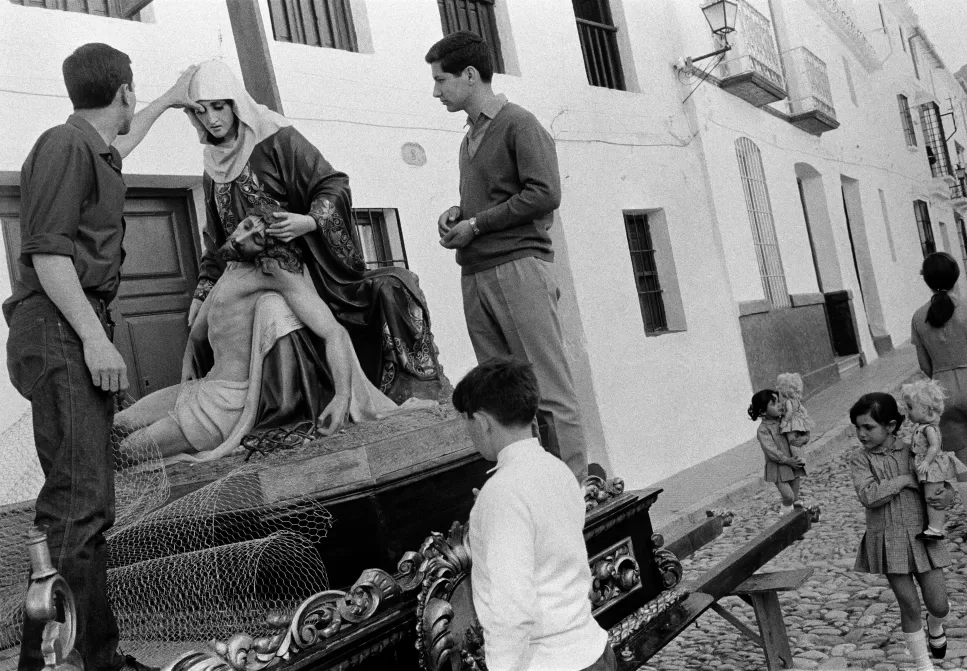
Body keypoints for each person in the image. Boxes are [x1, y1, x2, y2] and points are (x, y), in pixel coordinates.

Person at [2, 43, 198, 671]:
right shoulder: (64, 147)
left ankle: (74, 657)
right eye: (137, 94)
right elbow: (49, 257)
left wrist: (169, 99)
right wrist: (95, 338)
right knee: (79, 506)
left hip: (62, 325)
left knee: (80, 503)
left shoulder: (88, 146)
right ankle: (82, 661)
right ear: (122, 92)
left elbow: (122, 142)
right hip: (61, 325)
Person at [184, 60, 444, 432]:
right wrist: (201, 294)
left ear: (236, 102)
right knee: (202, 327)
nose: (211, 119)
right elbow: (218, 244)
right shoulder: (212, 168)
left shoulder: (277, 139)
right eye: (200, 111)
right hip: (243, 278)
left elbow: (334, 185)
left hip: (305, 272)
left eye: (218, 106)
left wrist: (308, 221)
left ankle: (292, 414)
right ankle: (247, 414)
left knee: (276, 308)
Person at [114, 206, 412, 463]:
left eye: (256, 239)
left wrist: (342, 396)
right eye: (245, 227)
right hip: (201, 388)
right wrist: (189, 358)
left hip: (225, 403)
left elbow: (333, 332)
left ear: (270, 249)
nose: (241, 239)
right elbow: (200, 331)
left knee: (127, 451)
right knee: (119, 424)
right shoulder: (231, 268)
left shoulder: (272, 273)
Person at [425, 31, 590, 483]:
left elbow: (545, 193)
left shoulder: (520, 123)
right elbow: (497, 196)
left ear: (471, 75)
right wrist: (458, 212)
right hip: (476, 274)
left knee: (549, 392)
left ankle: (572, 496)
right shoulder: (468, 139)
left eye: (441, 80)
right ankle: (528, 489)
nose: (436, 91)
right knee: (500, 398)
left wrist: (476, 225)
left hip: (518, 269)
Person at [451, 359, 615, 671]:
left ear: (483, 421)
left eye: (468, 422)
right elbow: (551, 543)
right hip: (592, 648)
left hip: (549, 662)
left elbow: (512, 609)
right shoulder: (558, 471)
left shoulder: (501, 494)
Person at [849, 393, 951, 670]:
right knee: (909, 604)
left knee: (938, 604)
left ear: (891, 425)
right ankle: (922, 663)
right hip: (888, 539)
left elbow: (940, 478)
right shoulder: (860, 460)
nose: (861, 434)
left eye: (868, 427)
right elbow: (868, 495)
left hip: (923, 537)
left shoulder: (915, 450)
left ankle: (936, 624)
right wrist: (904, 480)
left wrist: (946, 497)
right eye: (857, 427)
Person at [911, 252, 967, 546]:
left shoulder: (918, 317)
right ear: (956, 275)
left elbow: (924, 364)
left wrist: (942, 381)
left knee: (963, 462)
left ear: (925, 279)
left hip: (944, 389)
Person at [900, 379, 967, 541]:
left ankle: (935, 528)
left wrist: (926, 462)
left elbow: (934, 446)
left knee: (934, 497)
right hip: (925, 466)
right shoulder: (922, 427)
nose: (907, 412)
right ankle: (933, 526)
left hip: (932, 468)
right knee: (930, 495)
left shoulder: (929, 428)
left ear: (927, 410)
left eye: (911, 408)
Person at [748, 389, 807, 512]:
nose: (780, 405)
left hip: (794, 464)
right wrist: (786, 460)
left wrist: (802, 438)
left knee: (795, 497)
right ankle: (784, 514)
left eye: (779, 401)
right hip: (778, 467)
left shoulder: (784, 421)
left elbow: (797, 432)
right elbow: (771, 450)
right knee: (788, 496)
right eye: (774, 404)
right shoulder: (763, 430)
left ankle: (795, 519)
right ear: (762, 411)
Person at [776, 372, 814, 454]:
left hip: (792, 422)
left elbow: (789, 412)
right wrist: (805, 418)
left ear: (786, 390)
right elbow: (803, 410)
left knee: (792, 439)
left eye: (781, 388)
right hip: (800, 421)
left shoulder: (788, 401)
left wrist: (784, 422)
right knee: (800, 436)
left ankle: (795, 455)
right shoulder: (797, 401)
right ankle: (802, 452)